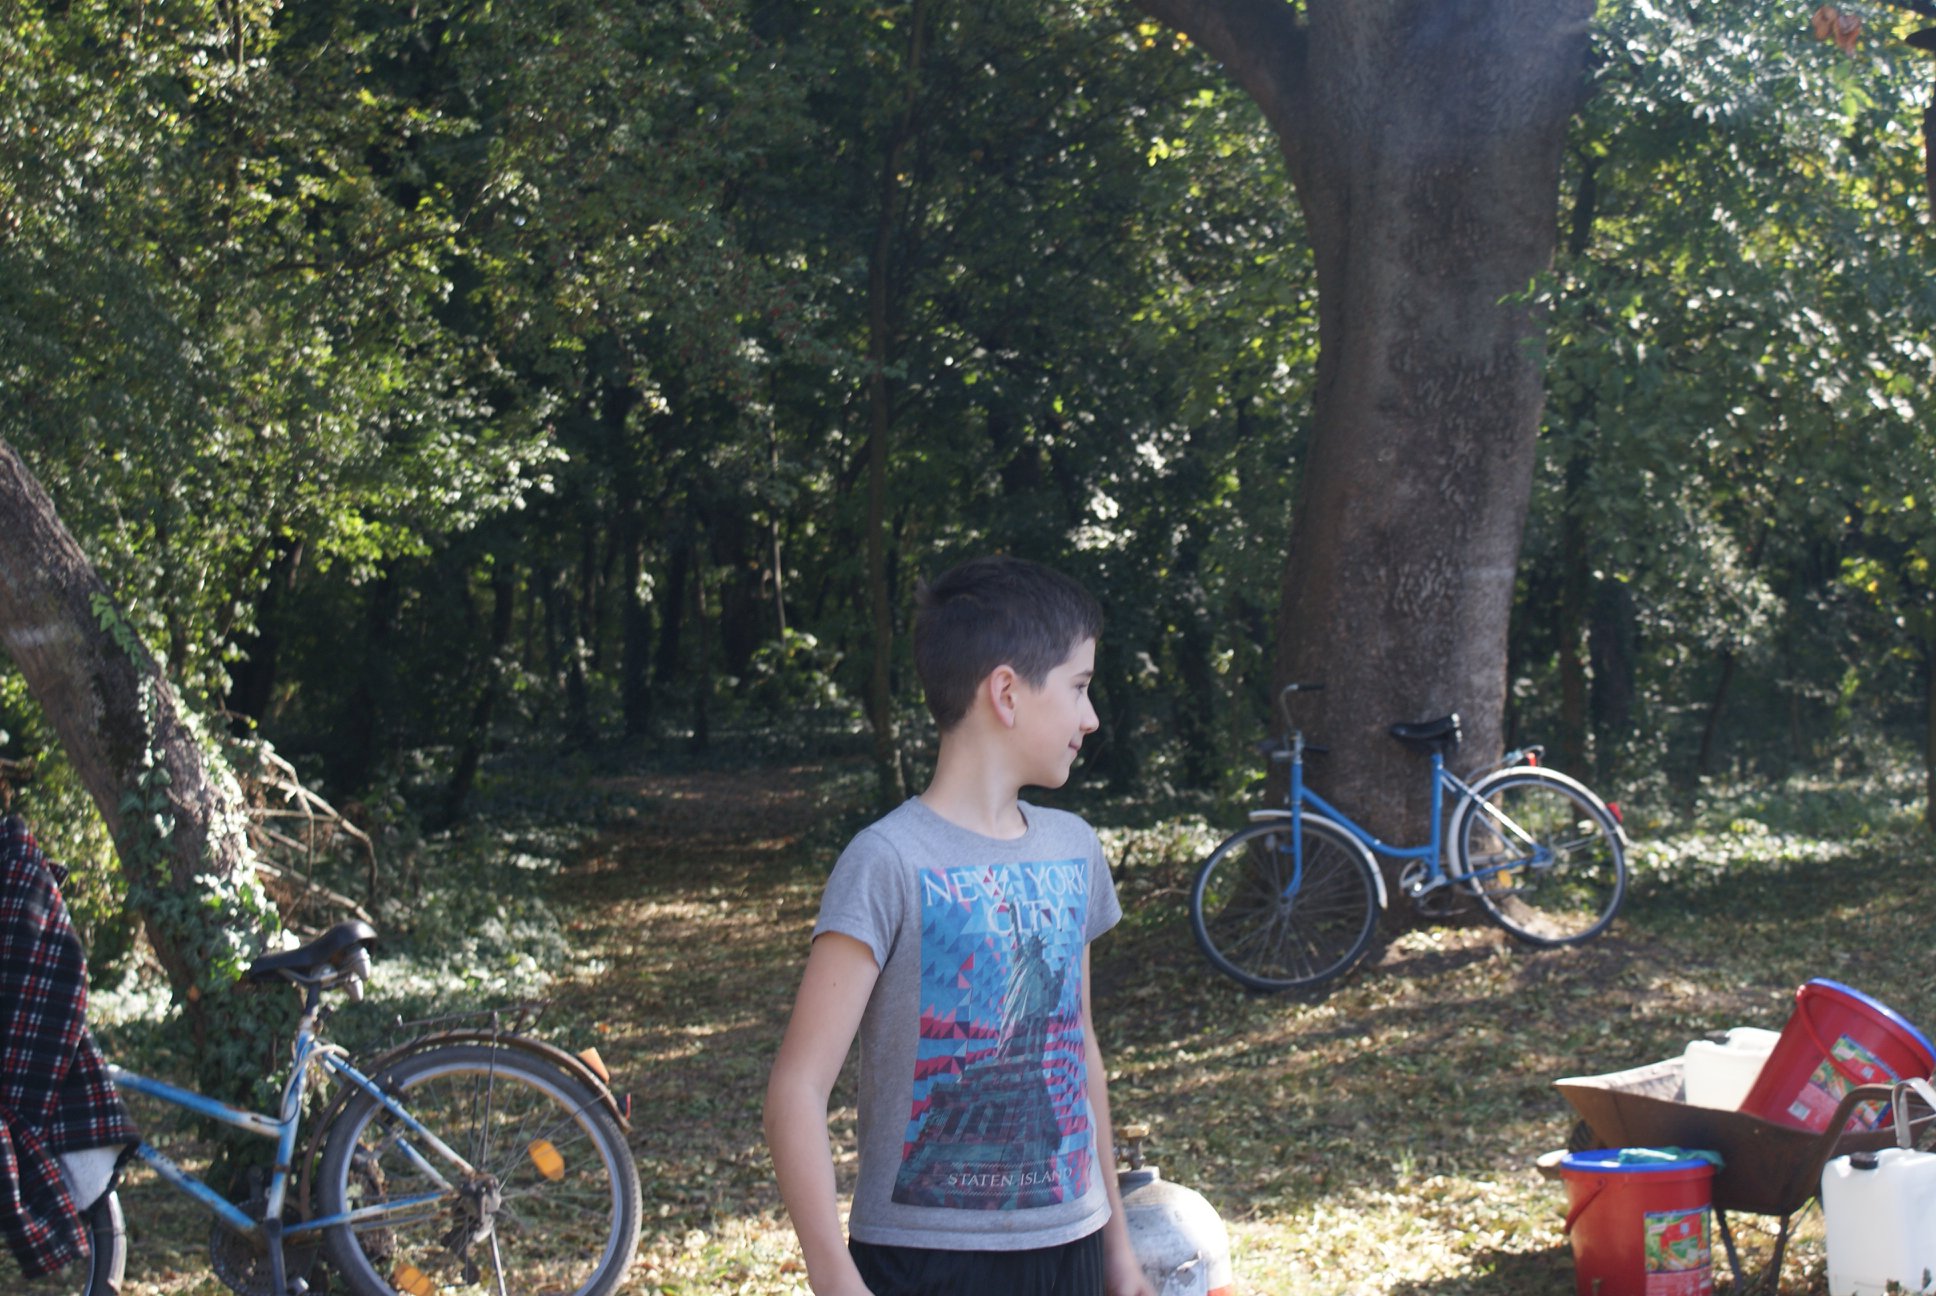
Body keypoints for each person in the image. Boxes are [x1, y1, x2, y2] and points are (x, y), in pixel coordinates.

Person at [765, 556, 1154, 1296]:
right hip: (923, 1265)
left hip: (1071, 1250)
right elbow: (797, 1088)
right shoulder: (886, 861)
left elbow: (1080, 1053)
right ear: (1006, 692)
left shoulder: (1075, 849)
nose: (1092, 717)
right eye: (1079, 687)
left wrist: (1116, 1249)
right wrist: (835, 1279)